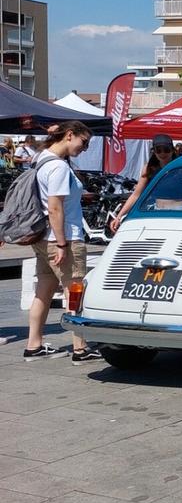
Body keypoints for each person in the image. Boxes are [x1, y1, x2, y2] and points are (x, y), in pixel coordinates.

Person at [23, 122, 100, 363]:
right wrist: (63, 243)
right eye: (83, 142)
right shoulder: (57, 166)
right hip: (63, 236)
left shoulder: (41, 158)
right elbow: (55, 207)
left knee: (43, 290)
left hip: (42, 237)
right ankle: (80, 348)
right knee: (74, 291)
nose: (85, 148)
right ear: (69, 135)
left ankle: (33, 345)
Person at [110, 134, 182, 231]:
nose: (162, 153)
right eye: (158, 150)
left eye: (166, 149)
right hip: (156, 212)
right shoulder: (149, 168)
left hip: (179, 212)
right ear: (154, 151)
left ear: (172, 150)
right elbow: (136, 195)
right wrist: (119, 216)